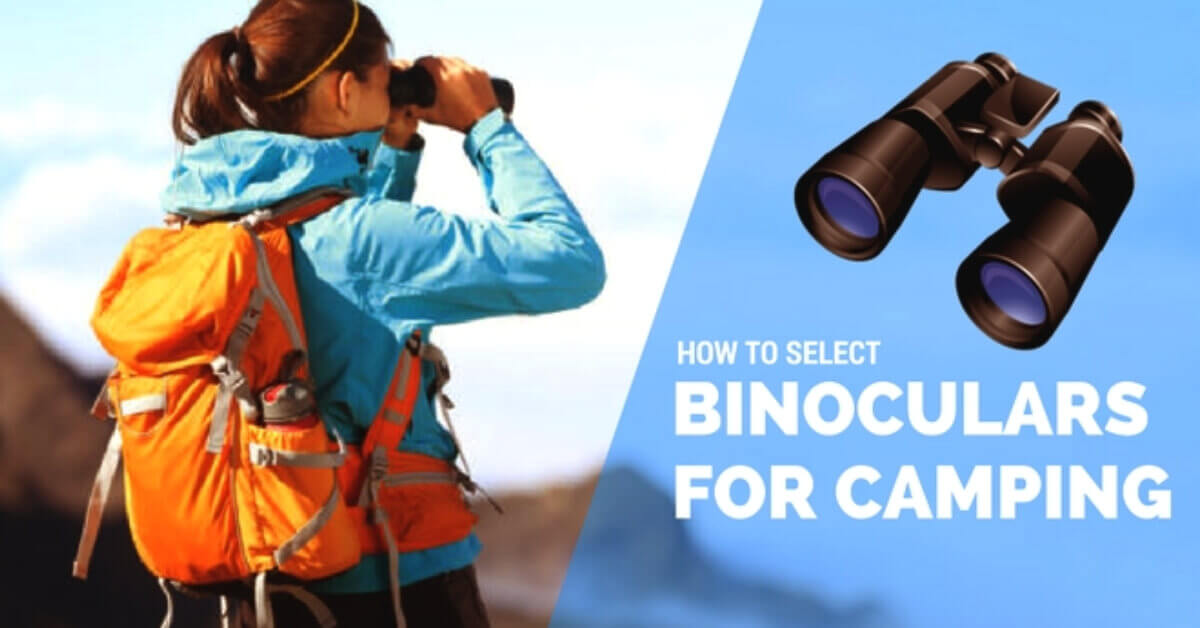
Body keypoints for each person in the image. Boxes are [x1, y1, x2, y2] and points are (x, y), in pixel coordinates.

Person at [163, 0, 605, 625]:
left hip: (272, 573)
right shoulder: (356, 239)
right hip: (395, 580)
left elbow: (351, 305)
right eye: (380, 76)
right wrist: (486, 126)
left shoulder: (215, 219)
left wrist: (393, 150)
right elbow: (568, 263)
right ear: (345, 92)